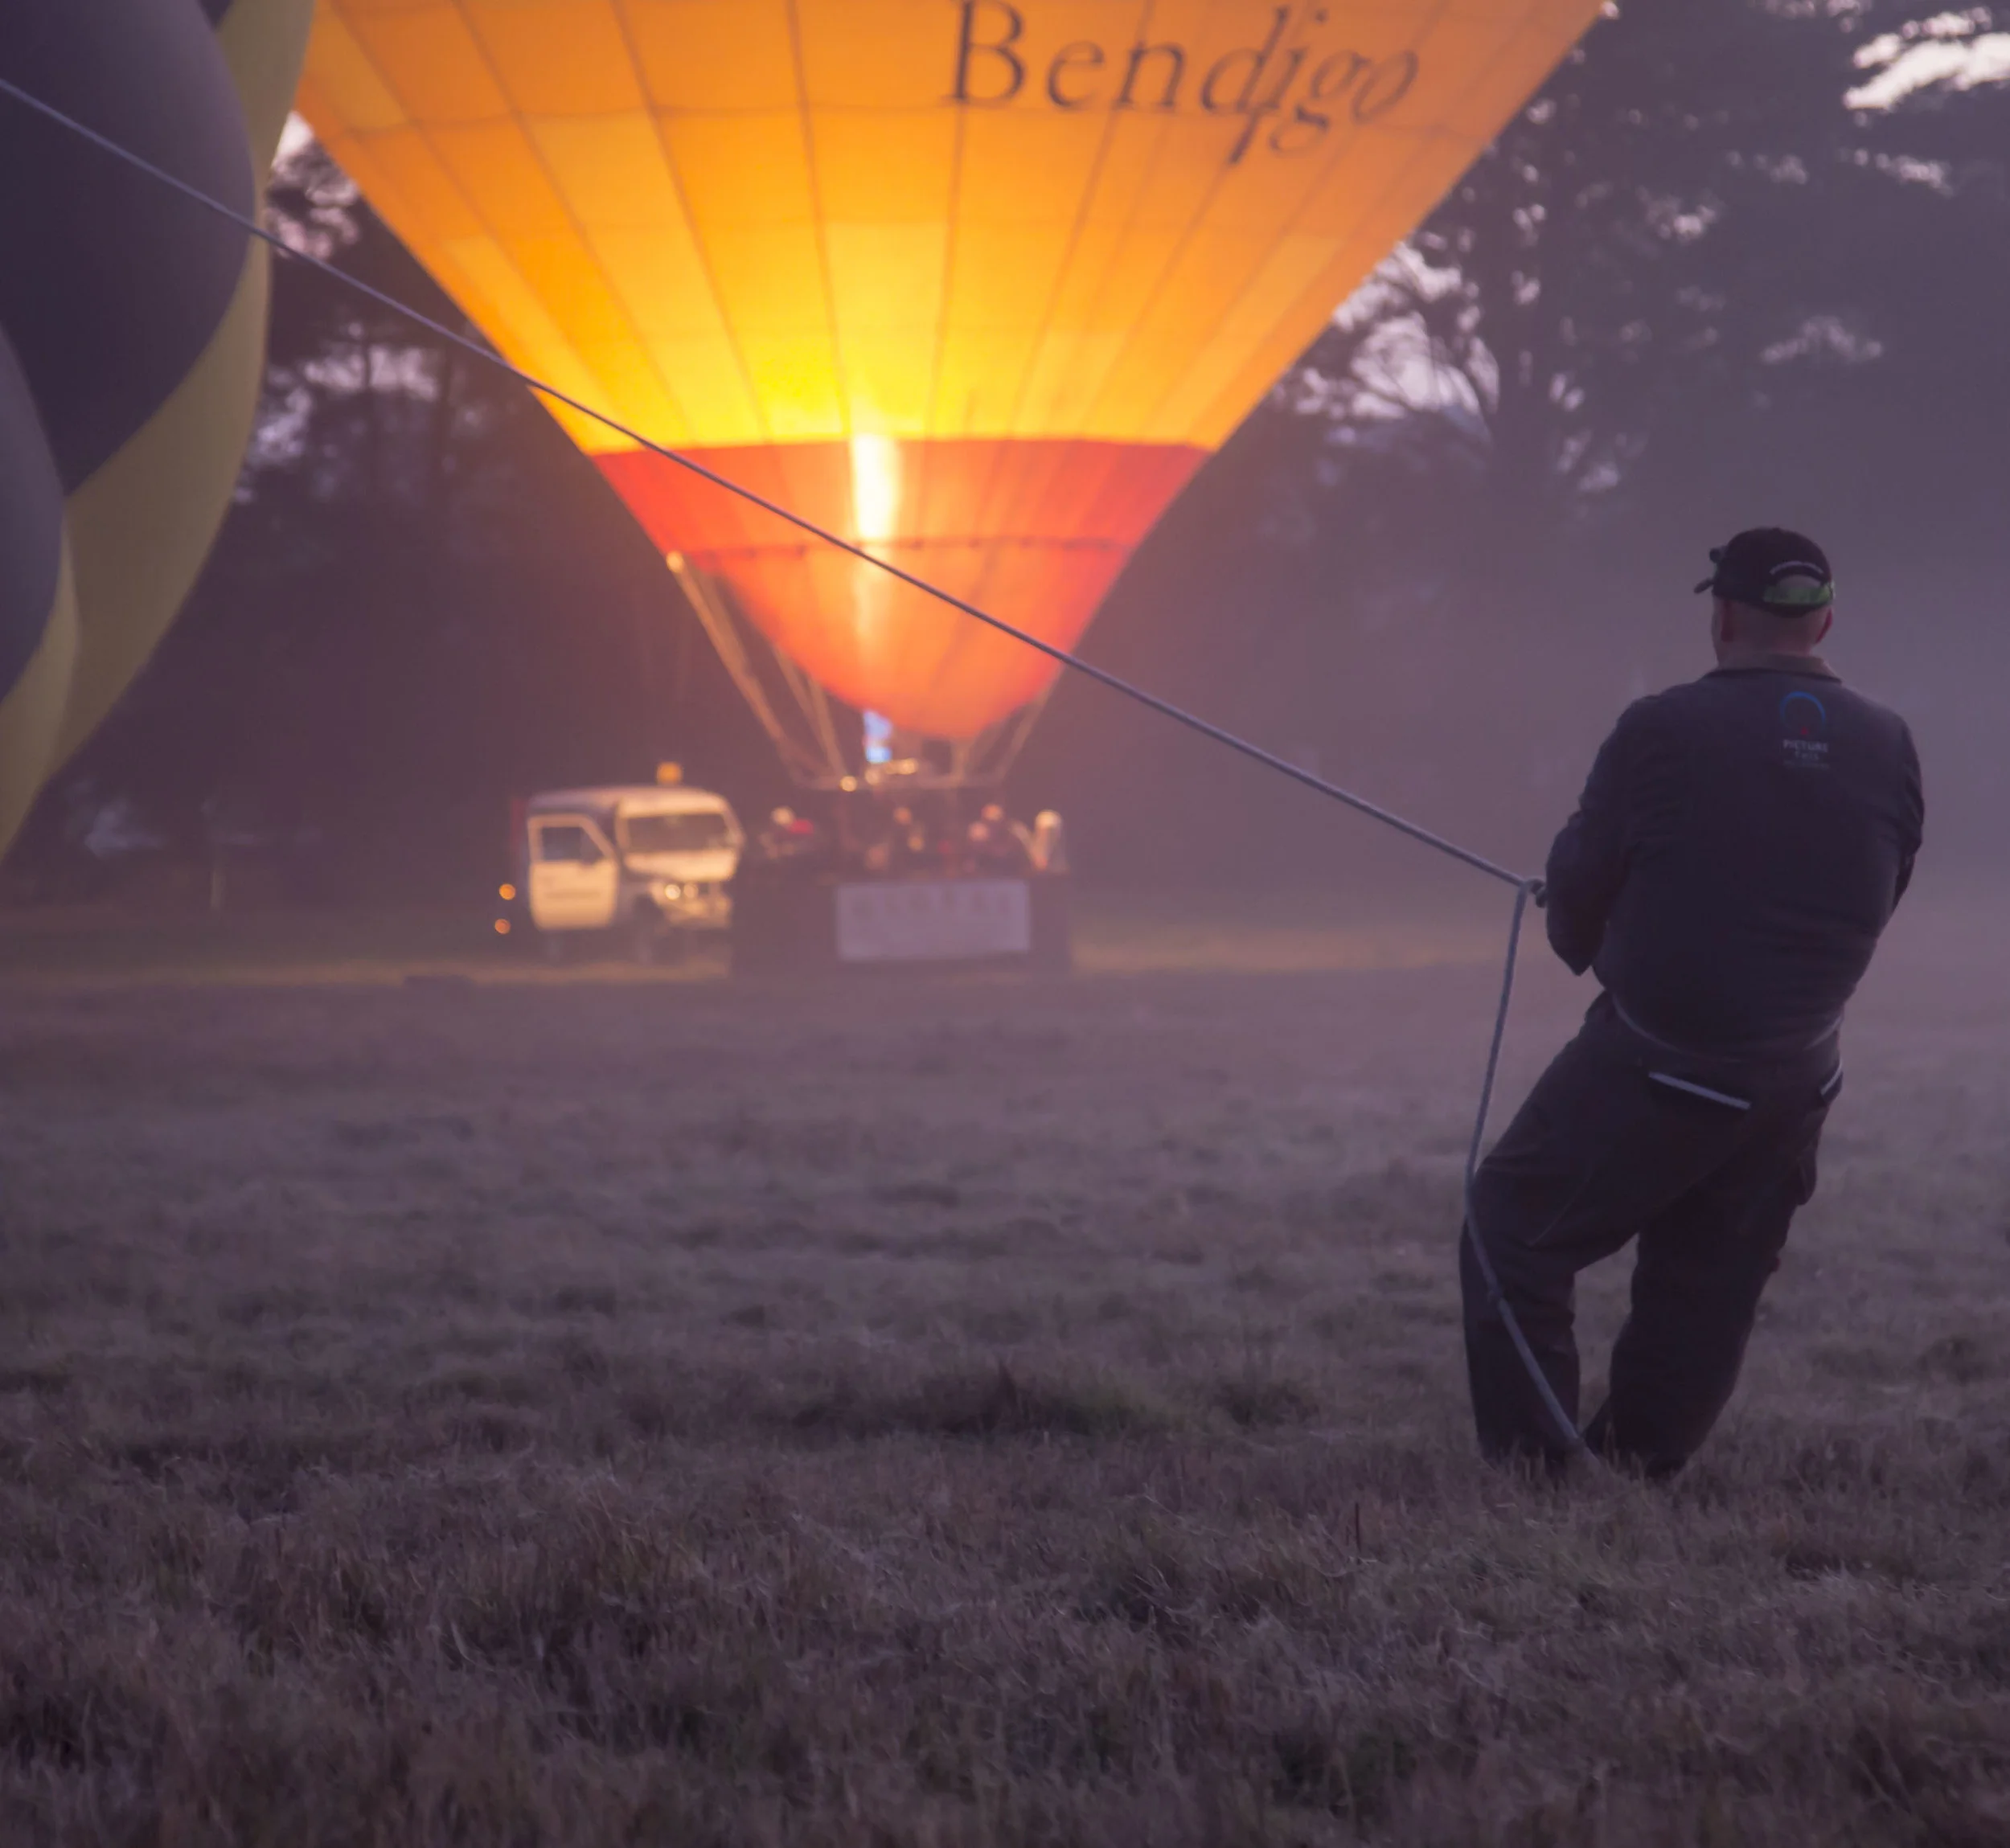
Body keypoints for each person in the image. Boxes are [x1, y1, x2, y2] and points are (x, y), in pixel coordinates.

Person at [1462, 529, 1924, 1479]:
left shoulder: (1659, 728)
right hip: (1800, 1072)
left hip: (1658, 1057)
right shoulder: (1888, 742)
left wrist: (1582, 942)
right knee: (1707, 1280)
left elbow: (1583, 880)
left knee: (1509, 1224)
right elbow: (1887, 886)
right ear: (1825, 621)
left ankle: (1539, 1480)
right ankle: (1634, 1470)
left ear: (1719, 618)